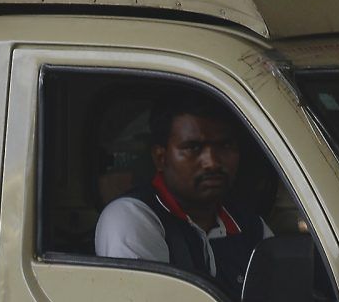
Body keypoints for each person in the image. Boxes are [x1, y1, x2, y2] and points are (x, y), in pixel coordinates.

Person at [94, 89, 268, 288]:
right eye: (193, 148)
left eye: (224, 146)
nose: (211, 162)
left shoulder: (250, 226)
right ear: (161, 158)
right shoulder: (132, 217)